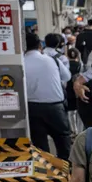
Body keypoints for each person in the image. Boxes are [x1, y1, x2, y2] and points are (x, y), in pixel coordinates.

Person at [24, 31, 73, 160]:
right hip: (55, 107)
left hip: (31, 107)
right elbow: (67, 76)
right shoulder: (52, 60)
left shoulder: (21, 63)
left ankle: (46, 171)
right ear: (40, 45)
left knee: (39, 142)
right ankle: (65, 168)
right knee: (62, 139)